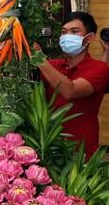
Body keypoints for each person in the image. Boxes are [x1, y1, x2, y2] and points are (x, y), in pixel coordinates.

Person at [37, 12, 109, 158]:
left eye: (74, 31)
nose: (67, 36)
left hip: (81, 152)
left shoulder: (100, 68)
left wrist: (38, 57)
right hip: (48, 147)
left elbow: (70, 91)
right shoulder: (52, 65)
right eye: (63, 32)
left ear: (89, 38)